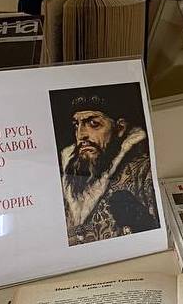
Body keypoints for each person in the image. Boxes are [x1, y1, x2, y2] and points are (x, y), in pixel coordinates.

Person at [59, 90, 158, 244]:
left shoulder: (144, 170)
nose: (81, 135)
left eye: (93, 124)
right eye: (77, 125)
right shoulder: (66, 178)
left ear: (120, 128)